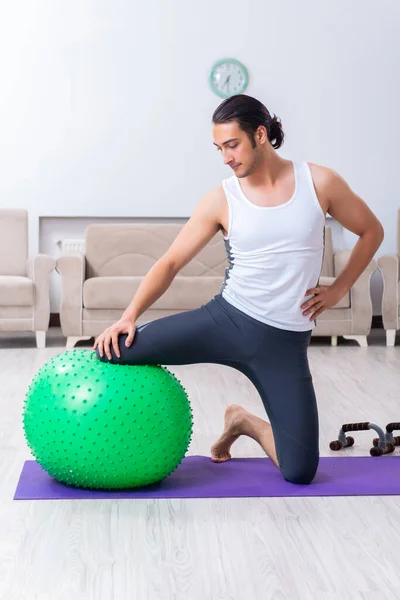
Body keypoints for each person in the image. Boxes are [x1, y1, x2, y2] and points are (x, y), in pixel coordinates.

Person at [93, 94, 384, 484]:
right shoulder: (222, 198)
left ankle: (243, 420)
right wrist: (129, 317)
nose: (226, 157)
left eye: (232, 145)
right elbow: (171, 262)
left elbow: (371, 231)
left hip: (285, 345)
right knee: (116, 352)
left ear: (260, 135)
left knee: (300, 472)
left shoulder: (319, 183)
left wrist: (339, 289)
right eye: (219, 149)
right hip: (226, 321)